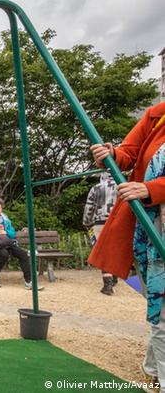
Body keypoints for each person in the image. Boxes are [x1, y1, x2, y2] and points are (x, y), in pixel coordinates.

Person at [89, 102, 165, 388]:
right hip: (152, 226)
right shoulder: (158, 114)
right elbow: (128, 154)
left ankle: (153, 369)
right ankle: (155, 371)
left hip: (150, 203)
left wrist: (153, 188)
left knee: (163, 308)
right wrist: (112, 155)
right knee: (161, 302)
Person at [0, 198, 43, 290]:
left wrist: (5, 231)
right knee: (4, 254)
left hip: (6, 242)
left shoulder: (5, 219)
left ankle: (29, 282)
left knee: (23, 254)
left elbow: (12, 234)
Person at [82, 172, 118, 295]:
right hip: (119, 220)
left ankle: (108, 284)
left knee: (104, 252)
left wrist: (87, 222)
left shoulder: (96, 188)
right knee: (116, 250)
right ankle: (115, 274)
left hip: (101, 221)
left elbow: (89, 208)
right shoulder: (123, 186)